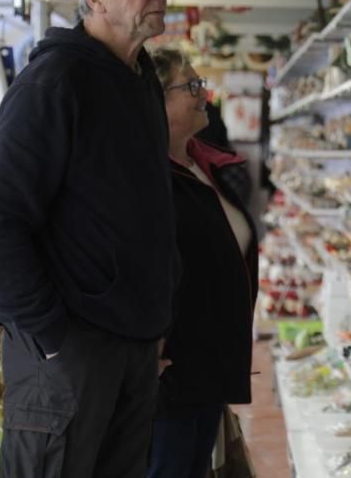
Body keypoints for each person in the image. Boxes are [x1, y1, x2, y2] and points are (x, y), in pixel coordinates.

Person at [0, 0, 192, 477]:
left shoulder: (137, 78)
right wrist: (51, 338)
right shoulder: (55, 82)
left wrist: (150, 320)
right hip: (70, 353)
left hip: (129, 350)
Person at [148, 48, 258, 478]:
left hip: (206, 370)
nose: (203, 94)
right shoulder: (147, 177)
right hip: (172, 375)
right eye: (190, 86)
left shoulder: (200, 164)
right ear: (155, 99)